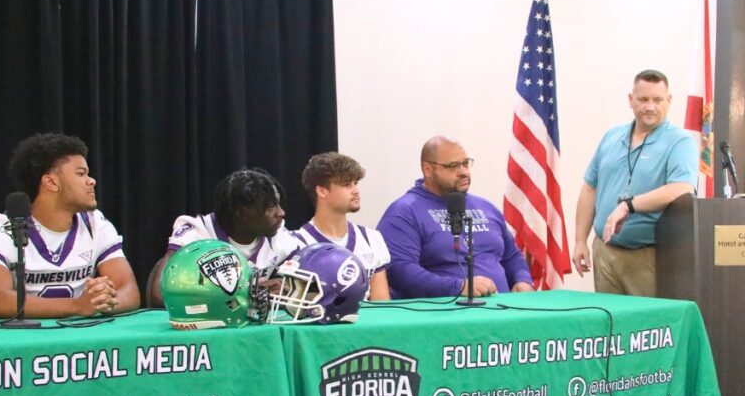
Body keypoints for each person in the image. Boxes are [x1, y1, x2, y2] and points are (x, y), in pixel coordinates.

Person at [0, 133, 139, 318]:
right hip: (24, 341)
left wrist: (104, 301)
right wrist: (77, 306)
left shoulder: (94, 222)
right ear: (51, 182)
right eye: (81, 173)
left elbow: (129, 291)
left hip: (81, 339)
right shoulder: (2, 226)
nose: (91, 181)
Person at [572, 70, 697, 297]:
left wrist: (628, 205)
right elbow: (590, 187)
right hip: (605, 253)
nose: (650, 107)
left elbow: (681, 188)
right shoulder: (612, 136)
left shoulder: (680, 141)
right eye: (643, 99)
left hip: (647, 256)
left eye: (658, 100)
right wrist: (580, 240)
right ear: (631, 100)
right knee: (609, 326)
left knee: (646, 328)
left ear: (669, 101)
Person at [377, 136, 534, 298]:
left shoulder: (486, 208)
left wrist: (522, 280)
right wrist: (457, 287)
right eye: (453, 166)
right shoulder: (404, 212)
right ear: (428, 170)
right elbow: (399, 270)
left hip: (503, 307)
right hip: (445, 313)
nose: (464, 172)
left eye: (465, 164)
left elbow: (511, 255)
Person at [146, 168, 299, 308]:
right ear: (243, 212)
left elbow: (313, 292)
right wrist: (250, 292)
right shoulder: (197, 234)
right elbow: (159, 296)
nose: (281, 213)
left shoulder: (280, 237)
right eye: (271, 207)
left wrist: (289, 288)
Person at [294, 152, 390, 300]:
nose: (356, 190)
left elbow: (382, 306)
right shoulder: (297, 244)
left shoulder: (371, 238)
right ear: (321, 191)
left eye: (355, 183)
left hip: (367, 321)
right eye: (346, 185)